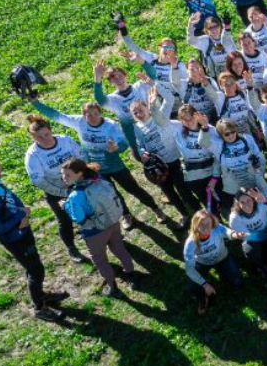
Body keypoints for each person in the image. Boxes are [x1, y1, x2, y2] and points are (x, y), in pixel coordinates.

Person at [30, 97, 174, 229]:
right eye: (88, 115)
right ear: (83, 115)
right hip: (94, 169)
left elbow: (124, 144)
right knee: (112, 193)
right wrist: (36, 103)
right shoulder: (79, 122)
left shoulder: (110, 125)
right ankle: (126, 215)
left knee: (133, 188)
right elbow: (57, 115)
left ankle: (156, 209)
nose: (91, 118)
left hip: (115, 166)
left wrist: (115, 148)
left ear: (101, 113)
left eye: (95, 114)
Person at [0, 153, 68, 319]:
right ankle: (39, 307)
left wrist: (23, 214)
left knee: (34, 266)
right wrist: (20, 217)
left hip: (23, 230)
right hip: (15, 239)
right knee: (36, 271)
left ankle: (41, 294)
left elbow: (11, 200)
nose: (1, 166)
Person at [61, 159, 138, 298]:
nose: (64, 178)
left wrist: (66, 206)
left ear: (79, 174)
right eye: (63, 175)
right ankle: (132, 277)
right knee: (120, 249)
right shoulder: (99, 178)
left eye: (68, 175)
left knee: (100, 259)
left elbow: (79, 219)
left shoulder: (75, 195)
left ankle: (113, 288)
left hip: (94, 231)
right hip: (113, 222)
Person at [23, 115, 89, 263]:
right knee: (65, 221)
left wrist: (82, 177)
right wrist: (63, 192)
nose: (44, 139)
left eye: (46, 134)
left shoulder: (65, 140)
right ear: (33, 138)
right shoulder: (32, 155)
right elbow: (38, 180)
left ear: (51, 130)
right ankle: (71, 248)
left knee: (90, 208)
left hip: (78, 182)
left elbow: (81, 156)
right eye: (38, 137)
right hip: (57, 191)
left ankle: (98, 233)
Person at [130, 89, 194, 227]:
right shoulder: (137, 128)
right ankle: (184, 214)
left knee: (183, 188)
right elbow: (140, 144)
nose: (139, 114)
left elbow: (169, 99)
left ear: (147, 108)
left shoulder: (158, 117)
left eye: (141, 110)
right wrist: (142, 153)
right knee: (168, 191)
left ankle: (197, 211)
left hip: (173, 159)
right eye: (135, 113)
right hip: (158, 166)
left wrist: (154, 90)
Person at [183, 210, 242, 315]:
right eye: (201, 224)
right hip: (203, 263)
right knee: (193, 285)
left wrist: (235, 235)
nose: (205, 227)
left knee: (236, 282)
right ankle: (202, 299)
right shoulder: (190, 243)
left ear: (212, 223)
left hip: (222, 258)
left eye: (208, 223)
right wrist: (205, 285)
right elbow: (189, 269)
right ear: (195, 225)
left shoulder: (217, 228)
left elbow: (228, 233)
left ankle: (223, 275)